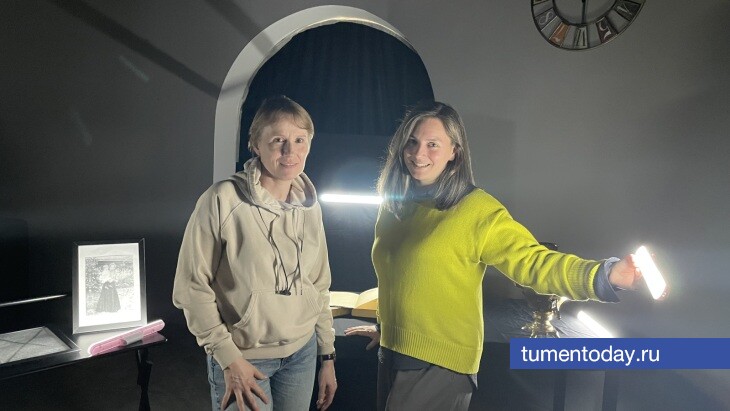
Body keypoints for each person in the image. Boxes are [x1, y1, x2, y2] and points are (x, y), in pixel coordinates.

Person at [344, 100, 642, 411]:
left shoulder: (476, 210)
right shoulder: (396, 205)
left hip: (440, 363)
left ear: (454, 151)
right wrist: (385, 328)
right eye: (412, 142)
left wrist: (605, 276)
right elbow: (400, 278)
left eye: (433, 144)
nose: (419, 154)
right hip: (393, 353)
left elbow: (534, 262)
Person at [173, 96, 337, 411]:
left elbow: (318, 284)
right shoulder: (222, 199)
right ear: (256, 145)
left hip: (301, 354)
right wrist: (228, 357)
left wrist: (326, 354)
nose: (290, 151)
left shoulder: (309, 207)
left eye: (299, 140)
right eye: (278, 140)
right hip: (243, 356)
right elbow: (191, 287)